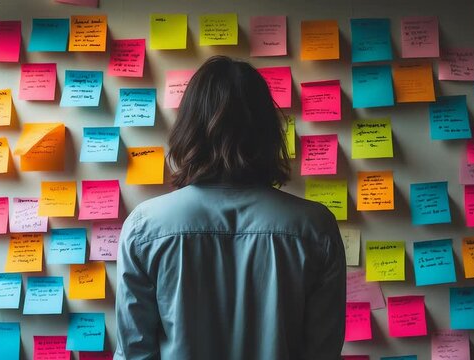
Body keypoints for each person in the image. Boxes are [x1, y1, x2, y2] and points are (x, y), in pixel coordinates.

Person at [115, 56, 346, 360]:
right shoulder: (316, 228)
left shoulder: (144, 227)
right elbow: (322, 353)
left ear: (188, 129)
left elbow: (135, 354)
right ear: (267, 132)